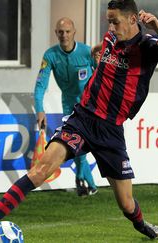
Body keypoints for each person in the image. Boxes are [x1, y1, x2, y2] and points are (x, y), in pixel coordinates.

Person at [0, 0, 158, 241]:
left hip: (110, 130)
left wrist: (157, 26)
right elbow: (102, 47)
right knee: (41, 169)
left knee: (127, 204)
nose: (111, 26)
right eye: (108, 21)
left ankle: (146, 229)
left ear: (133, 20)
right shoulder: (111, 38)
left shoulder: (146, 46)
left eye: (115, 21)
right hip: (82, 117)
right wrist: (98, 49)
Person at [34, 17, 98, 196]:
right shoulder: (50, 56)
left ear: (74, 32)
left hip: (91, 105)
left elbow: (102, 75)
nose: (64, 35)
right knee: (75, 143)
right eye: (60, 32)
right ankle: (88, 183)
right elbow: (40, 85)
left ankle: (84, 179)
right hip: (69, 105)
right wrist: (40, 109)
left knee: (88, 143)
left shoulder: (87, 52)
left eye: (68, 31)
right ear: (56, 33)